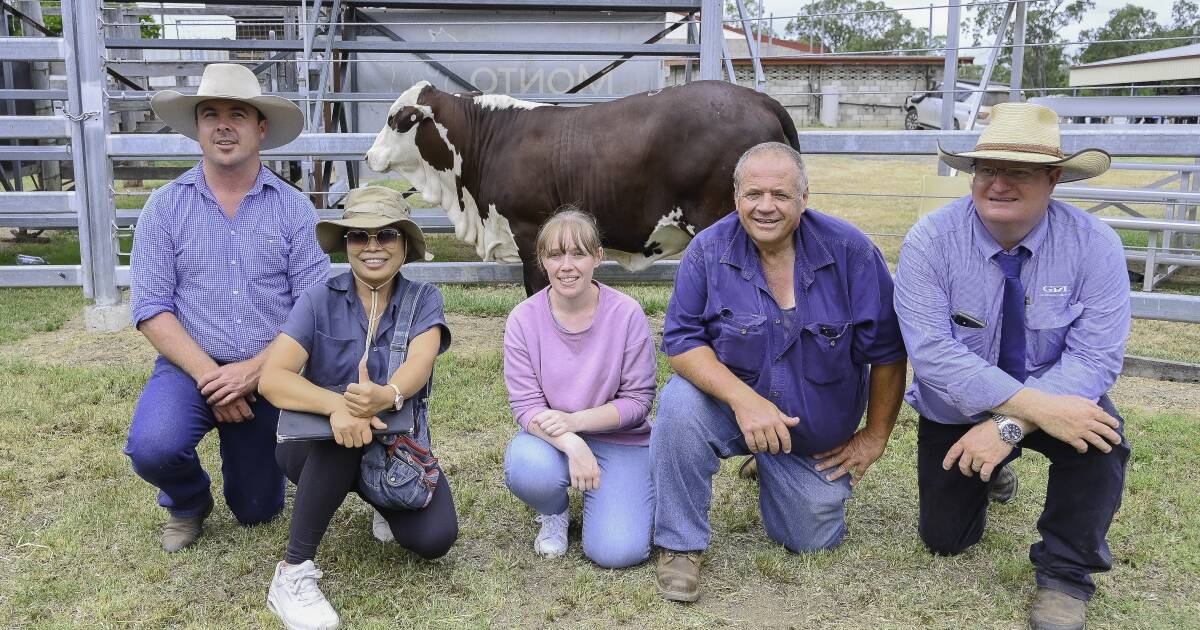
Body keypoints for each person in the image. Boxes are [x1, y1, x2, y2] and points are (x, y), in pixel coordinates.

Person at [893, 103, 1131, 630]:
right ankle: (997, 468)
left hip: (1053, 392)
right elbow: (933, 354)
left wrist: (1009, 424)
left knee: (1101, 439)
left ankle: (1067, 576)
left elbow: (1094, 358)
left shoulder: (1096, 246)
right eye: (987, 169)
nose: (998, 184)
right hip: (957, 404)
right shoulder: (930, 242)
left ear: (1053, 179)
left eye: (1018, 172)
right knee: (946, 540)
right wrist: (1021, 417)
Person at [652, 142, 908, 602]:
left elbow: (888, 353)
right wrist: (745, 401)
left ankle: (771, 464)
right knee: (678, 402)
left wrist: (875, 435)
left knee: (813, 538)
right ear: (736, 198)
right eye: (753, 194)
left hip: (811, 436)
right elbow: (682, 343)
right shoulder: (707, 251)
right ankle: (680, 545)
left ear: (804, 198)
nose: (765, 206)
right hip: (734, 411)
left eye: (780, 195)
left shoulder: (853, 253)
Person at [126, 63, 327, 552]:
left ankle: (250, 480)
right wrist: (210, 379)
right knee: (153, 446)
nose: (223, 125)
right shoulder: (165, 207)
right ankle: (188, 500)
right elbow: (152, 307)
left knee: (257, 511)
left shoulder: (293, 208)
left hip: (269, 366)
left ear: (260, 128)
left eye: (238, 114)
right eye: (210, 113)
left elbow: (315, 305)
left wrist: (254, 373)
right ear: (196, 128)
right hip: (190, 366)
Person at [258, 186, 457, 630]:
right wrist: (338, 407)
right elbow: (273, 378)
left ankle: (378, 497)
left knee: (435, 538)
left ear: (405, 244)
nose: (371, 246)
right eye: (356, 236)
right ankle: (292, 574)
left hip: (393, 445)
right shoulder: (317, 299)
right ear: (344, 244)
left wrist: (387, 396)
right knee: (346, 434)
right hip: (313, 448)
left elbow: (420, 362)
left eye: (386, 234)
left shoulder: (424, 300)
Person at [501, 208, 658, 569]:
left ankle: (614, 493)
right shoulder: (523, 319)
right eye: (555, 255)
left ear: (598, 257)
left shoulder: (627, 315)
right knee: (527, 465)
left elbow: (638, 402)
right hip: (553, 439)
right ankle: (554, 512)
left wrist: (576, 423)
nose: (566, 265)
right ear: (542, 261)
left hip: (621, 438)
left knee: (617, 553)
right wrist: (571, 443)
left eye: (579, 253)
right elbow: (526, 407)